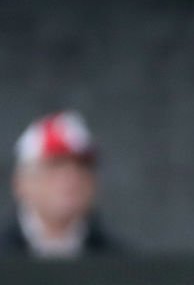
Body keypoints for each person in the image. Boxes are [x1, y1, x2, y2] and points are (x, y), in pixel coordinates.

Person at [1, 110, 119, 257]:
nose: (72, 177)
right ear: (20, 183)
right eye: (55, 164)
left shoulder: (119, 261)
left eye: (83, 165)